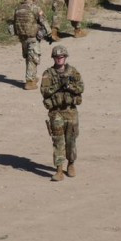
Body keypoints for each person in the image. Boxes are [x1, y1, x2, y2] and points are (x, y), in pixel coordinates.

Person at [40, 45, 83, 182]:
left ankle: (71, 164)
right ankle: (59, 170)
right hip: (56, 112)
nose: (60, 59)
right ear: (53, 58)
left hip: (70, 111)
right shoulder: (48, 73)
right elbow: (44, 91)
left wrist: (68, 86)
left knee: (71, 141)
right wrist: (58, 85)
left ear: (65, 57)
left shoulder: (73, 72)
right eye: (57, 57)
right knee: (58, 141)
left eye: (62, 57)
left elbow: (81, 88)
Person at [11, 0, 50, 90]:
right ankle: (30, 82)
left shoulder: (18, 9)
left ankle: (32, 76)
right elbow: (43, 21)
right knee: (33, 59)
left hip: (22, 39)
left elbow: (14, 23)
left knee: (29, 58)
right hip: (33, 38)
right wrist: (49, 34)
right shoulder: (35, 8)